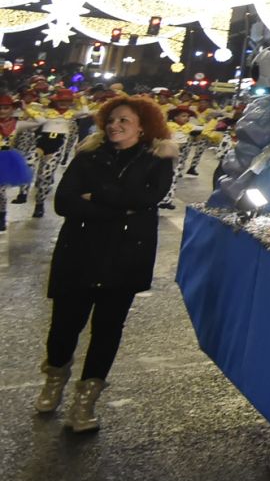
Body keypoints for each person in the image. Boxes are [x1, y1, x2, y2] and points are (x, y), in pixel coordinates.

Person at [33, 96, 176, 433]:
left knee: (107, 330)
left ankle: (86, 402)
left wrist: (94, 196)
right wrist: (118, 206)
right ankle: (54, 379)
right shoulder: (87, 155)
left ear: (142, 127)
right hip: (79, 252)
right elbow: (64, 201)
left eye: (124, 120)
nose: (115, 126)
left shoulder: (158, 159)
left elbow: (146, 199)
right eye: (111, 120)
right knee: (64, 325)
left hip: (126, 256)